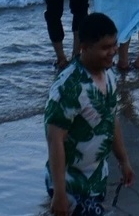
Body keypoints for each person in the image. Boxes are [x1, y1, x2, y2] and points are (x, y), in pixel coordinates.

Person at [44, 12, 134, 216]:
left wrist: (123, 161)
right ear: (84, 47)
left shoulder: (109, 76)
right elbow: (54, 139)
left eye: (114, 44)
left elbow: (112, 120)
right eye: (105, 47)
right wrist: (59, 193)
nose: (113, 51)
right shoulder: (69, 87)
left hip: (96, 180)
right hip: (69, 184)